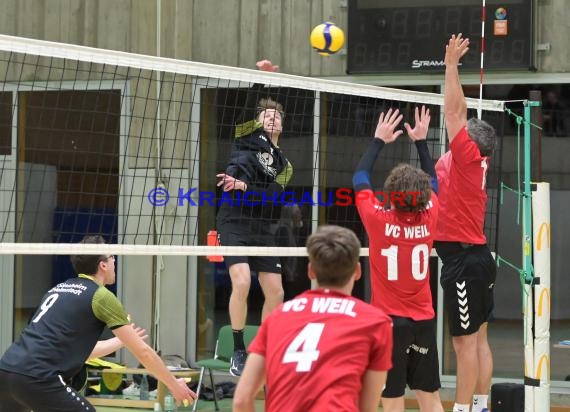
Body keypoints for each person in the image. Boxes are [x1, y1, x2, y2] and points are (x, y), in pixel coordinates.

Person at [0, 235, 196, 412]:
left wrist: (122, 341)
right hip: (39, 377)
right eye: (112, 258)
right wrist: (173, 384)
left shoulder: (58, 289)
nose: (114, 261)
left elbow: (79, 350)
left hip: (7, 371)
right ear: (103, 265)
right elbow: (144, 353)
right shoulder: (101, 296)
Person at [233, 225, 393, 412]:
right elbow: (366, 407)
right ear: (357, 271)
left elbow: (241, 400)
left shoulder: (277, 317)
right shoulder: (375, 322)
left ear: (311, 271)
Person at [353, 106, 444, 412]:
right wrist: (420, 141)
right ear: (422, 197)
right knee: (428, 394)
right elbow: (433, 181)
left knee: (391, 397)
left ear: (390, 194)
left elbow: (360, 177)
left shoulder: (376, 218)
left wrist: (377, 140)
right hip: (423, 321)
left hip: (388, 322)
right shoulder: (431, 214)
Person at [216, 59, 293, 376]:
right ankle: (238, 351)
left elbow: (273, 197)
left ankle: (264, 347)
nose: (271, 118)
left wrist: (246, 187)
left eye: (276, 115)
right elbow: (249, 107)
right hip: (233, 221)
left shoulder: (285, 166)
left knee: (276, 291)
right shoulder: (247, 137)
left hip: (262, 226)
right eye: (266, 115)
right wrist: (258, 80)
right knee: (243, 281)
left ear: (282, 125)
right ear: (258, 122)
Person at [434, 34, 497, 412]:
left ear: (470, 146)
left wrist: (452, 65)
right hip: (477, 258)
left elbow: (455, 114)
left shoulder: (467, 159)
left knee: (463, 345)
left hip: (463, 262)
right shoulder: (471, 167)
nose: (454, 137)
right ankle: (479, 406)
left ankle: (462, 410)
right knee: (479, 341)